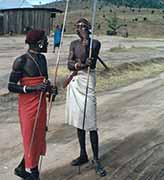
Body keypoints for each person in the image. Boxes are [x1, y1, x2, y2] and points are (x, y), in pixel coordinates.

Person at [8, 29, 58, 180]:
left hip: (41, 104)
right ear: (40, 43)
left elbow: (45, 81)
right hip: (27, 106)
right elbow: (11, 86)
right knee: (30, 137)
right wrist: (32, 88)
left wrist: (50, 89)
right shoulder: (21, 61)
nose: (48, 42)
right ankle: (35, 175)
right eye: (46, 40)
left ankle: (21, 168)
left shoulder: (42, 59)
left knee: (37, 137)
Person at [65, 18, 107, 177]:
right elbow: (69, 64)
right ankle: (83, 154)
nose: (79, 28)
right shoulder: (73, 44)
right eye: (77, 26)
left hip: (88, 80)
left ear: (89, 28)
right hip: (76, 81)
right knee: (79, 120)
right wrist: (79, 65)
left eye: (83, 26)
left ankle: (96, 159)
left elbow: (90, 61)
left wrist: (85, 43)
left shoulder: (95, 43)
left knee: (90, 121)